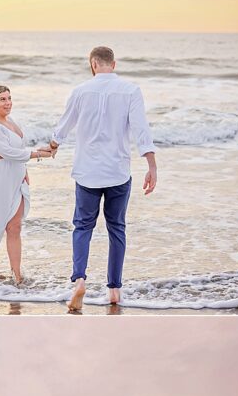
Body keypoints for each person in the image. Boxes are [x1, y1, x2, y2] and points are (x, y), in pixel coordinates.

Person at [47, 46, 157, 312]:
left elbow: (63, 127)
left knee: (82, 226)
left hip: (87, 172)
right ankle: (114, 290)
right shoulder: (131, 90)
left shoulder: (80, 91)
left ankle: (79, 281)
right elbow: (142, 129)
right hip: (118, 171)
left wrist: (52, 146)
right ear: (114, 64)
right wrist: (152, 166)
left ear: (93, 64)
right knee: (116, 228)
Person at [0, 85, 53, 288]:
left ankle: (17, 276)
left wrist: (25, 171)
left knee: (14, 226)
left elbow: (17, 150)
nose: (8, 103)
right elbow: (9, 152)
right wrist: (38, 154)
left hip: (16, 177)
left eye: (9, 98)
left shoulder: (10, 121)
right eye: (2, 100)